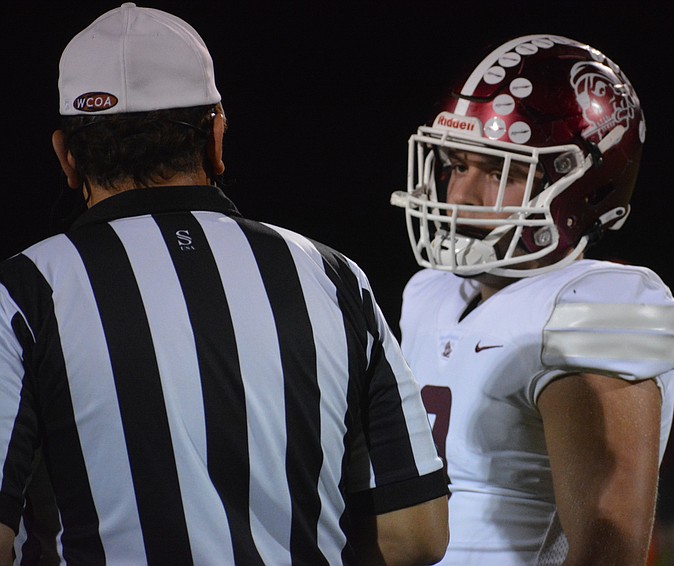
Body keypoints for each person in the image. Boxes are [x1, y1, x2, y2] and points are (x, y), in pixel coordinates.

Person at [0, 3, 448, 564]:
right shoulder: (333, 277)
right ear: (216, 138)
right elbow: (416, 533)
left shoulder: (25, 291)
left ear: (66, 157)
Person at [390, 34, 674, 564]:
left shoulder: (603, 305)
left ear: (584, 186)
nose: (461, 195)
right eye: (457, 165)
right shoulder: (428, 293)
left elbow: (607, 550)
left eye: (500, 171)